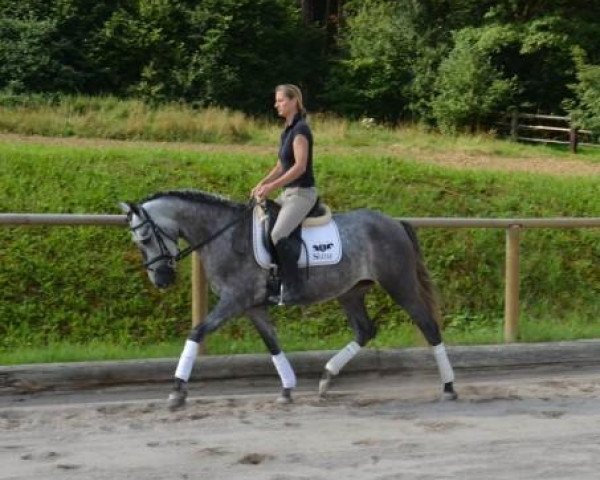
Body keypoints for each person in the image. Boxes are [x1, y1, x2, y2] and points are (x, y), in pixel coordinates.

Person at [251, 84, 318, 304]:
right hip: (288, 193)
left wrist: (271, 187)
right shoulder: (287, 131)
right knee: (261, 223)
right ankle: (273, 278)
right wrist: (262, 183)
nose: (276, 104)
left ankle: (294, 287)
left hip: (302, 194)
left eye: (280, 100)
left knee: (278, 234)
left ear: (294, 102)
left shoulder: (301, 130)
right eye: (277, 100)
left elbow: (299, 167)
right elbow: (281, 166)